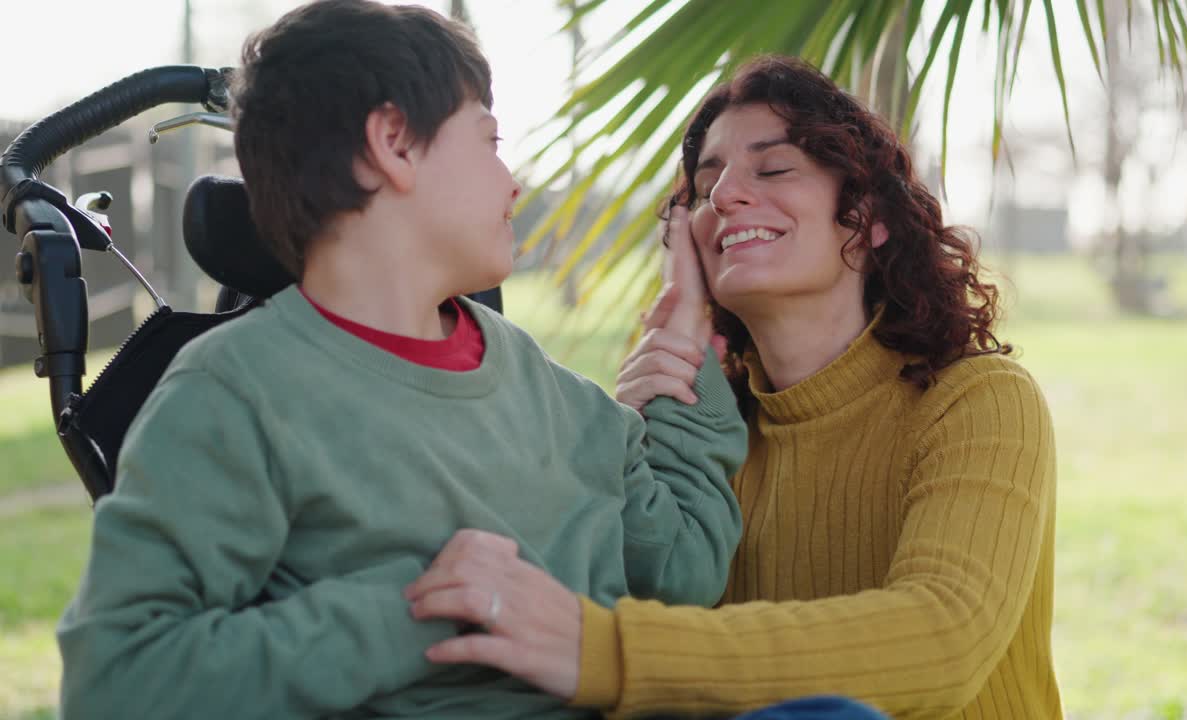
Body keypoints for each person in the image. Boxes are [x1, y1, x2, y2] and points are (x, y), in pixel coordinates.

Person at [54, 2, 747, 718]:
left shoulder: (535, 380)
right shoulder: (237, 394)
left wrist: (686, 336)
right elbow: (115, 682)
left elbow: (679, 571)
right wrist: (413, 611)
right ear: (394, 142)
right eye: (490, 139)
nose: (514, 180)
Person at [404, 55, 1062, 719]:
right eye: (705, 186)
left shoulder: (978, 400)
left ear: (867, 218)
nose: (725, 197)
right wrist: (624, 437)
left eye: (774, 169)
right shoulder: (700, 431)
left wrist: (606, 651)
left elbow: (942, 641)